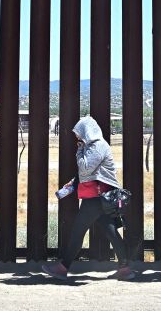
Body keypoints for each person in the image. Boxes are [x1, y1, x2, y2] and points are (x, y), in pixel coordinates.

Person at [41, 116, 136, 281]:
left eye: (79, 133)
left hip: (96, 198)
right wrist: (72, 183)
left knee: (78, 231)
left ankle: (63, 267)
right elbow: (86, 173)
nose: (77, 137)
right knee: (111, 231)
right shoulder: (92, 146)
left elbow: (85, 168)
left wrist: (78, 151)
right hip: (99, 197)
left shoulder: (97, 146)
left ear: (87, 131)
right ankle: (125, 268)